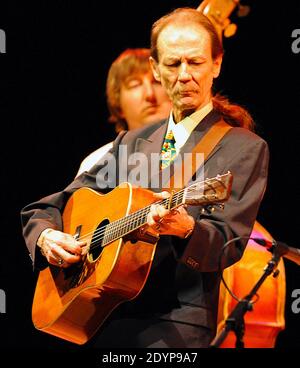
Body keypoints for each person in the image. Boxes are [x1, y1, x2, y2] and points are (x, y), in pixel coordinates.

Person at [20, 8, 269, 348]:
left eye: (195, 62)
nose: (184, 75)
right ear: (156, 68)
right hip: (101, 313)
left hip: (174, 325)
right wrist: (46, 236)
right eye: (172, 64)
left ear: (216, 64)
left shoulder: (243, 147)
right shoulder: (132, 142)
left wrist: (185, 229)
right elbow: (53, 206)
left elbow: (228, 243)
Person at [76, 48, 172, 176]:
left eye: (157, 82)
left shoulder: (196, 145)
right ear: (118, 104)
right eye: (134, 85)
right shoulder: (96, 163)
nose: (150, 94)